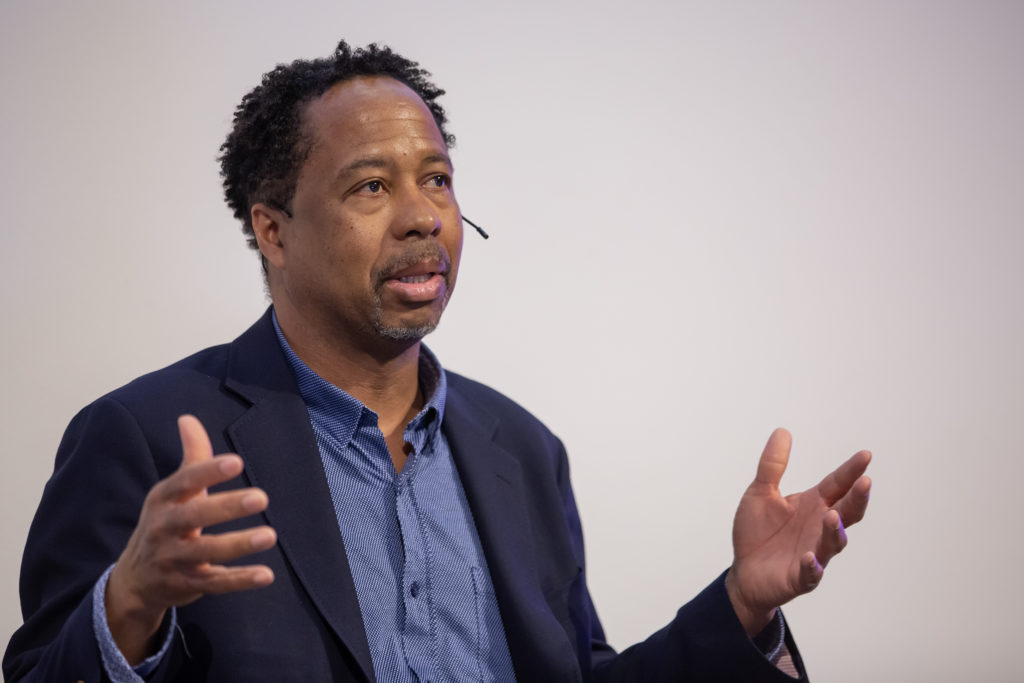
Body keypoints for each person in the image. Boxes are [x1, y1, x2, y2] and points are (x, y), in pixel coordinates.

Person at [3, 41, 872, 682]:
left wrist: (742, 605)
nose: (423, 216)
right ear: (274, 230)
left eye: (438, 179)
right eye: (372, 186)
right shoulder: (143, 438)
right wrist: (127, 603)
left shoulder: (522, 450)